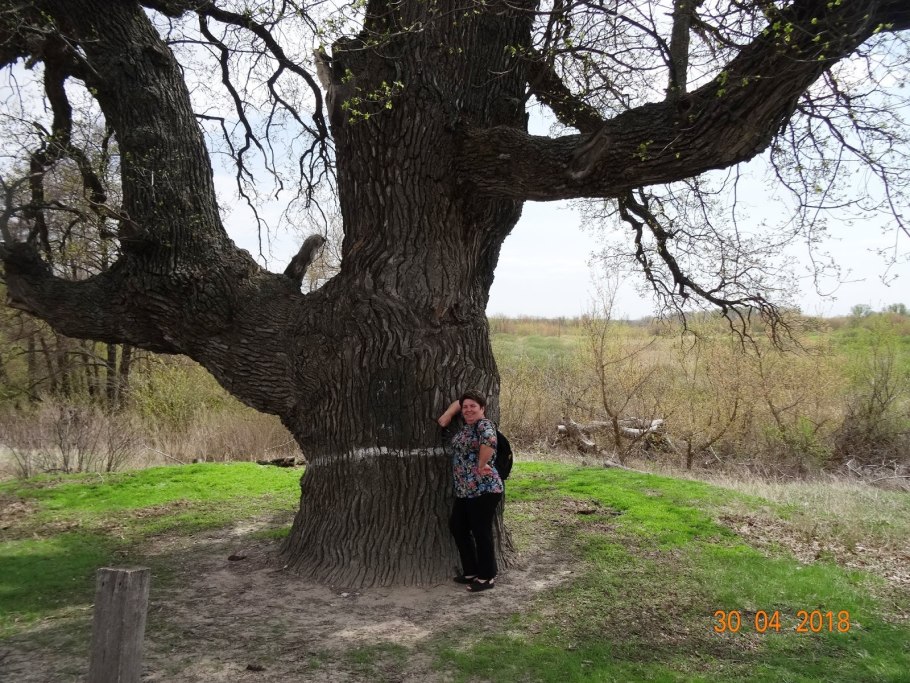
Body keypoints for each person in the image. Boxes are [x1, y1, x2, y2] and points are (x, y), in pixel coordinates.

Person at [437, 390, 503, 592]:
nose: (467, 410)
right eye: (465, 407)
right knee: (458, 526)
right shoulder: (467, 427)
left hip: (484, 489)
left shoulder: (484, 425)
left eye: (473, 406)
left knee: (481, 531)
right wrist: (449, 414)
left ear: (482, 408)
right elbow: (457, 405)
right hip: (466, 490)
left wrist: (482, 463)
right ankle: (471, 571)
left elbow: (490, 442)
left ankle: (487, 577)